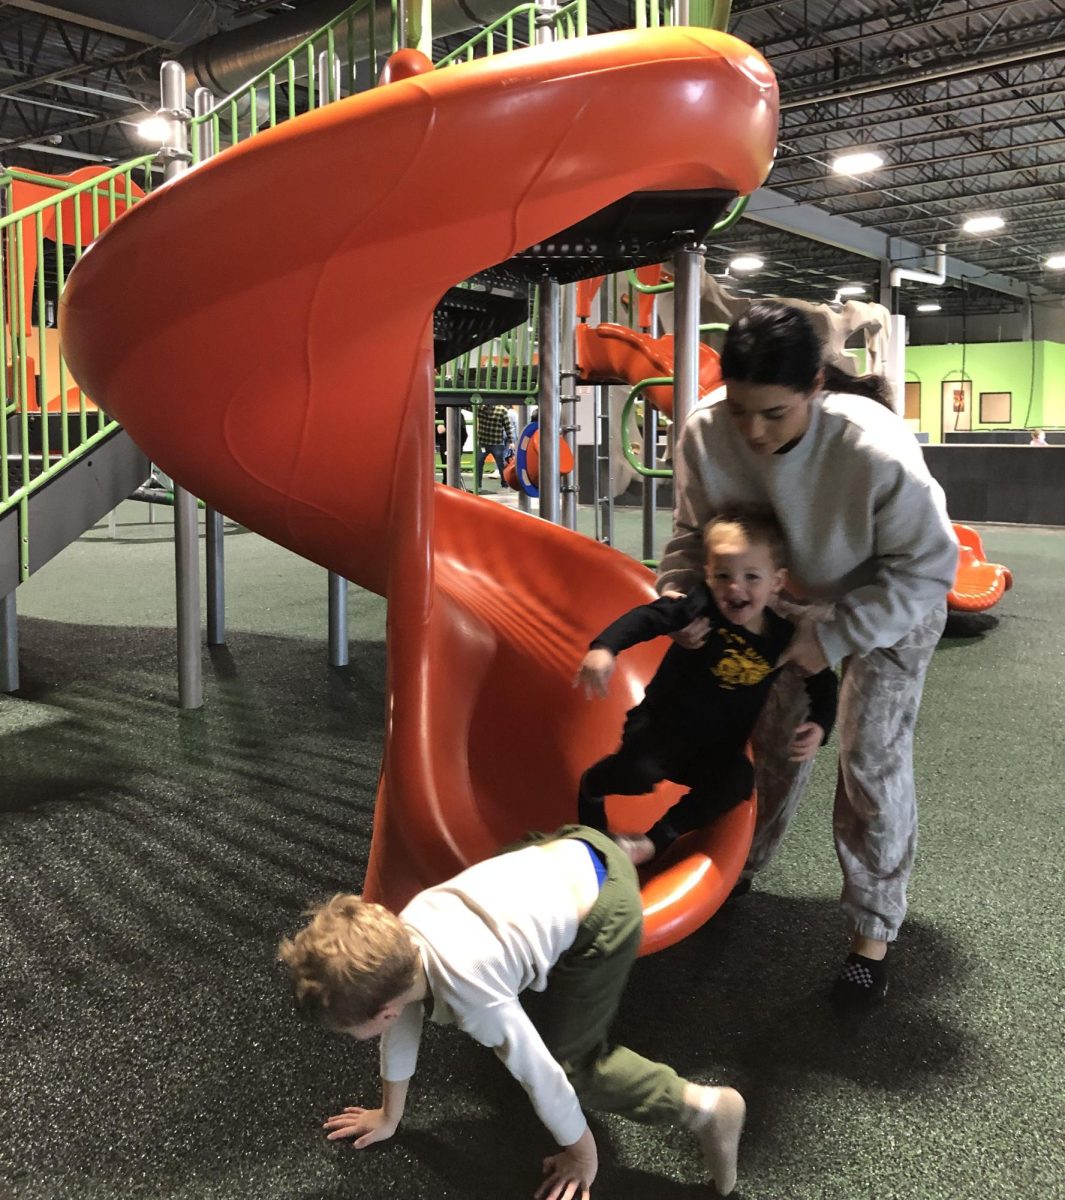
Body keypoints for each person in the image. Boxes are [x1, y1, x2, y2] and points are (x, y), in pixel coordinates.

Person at [657, 300, 958, 1005]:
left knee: (867, 760)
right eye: (741, 411)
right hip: (786, 600)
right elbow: (688, 539)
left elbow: (927, 567)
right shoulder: (706, 433)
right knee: (768, 745)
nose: (754, 433)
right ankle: (737, 868)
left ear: (815, 387)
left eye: (775, 414)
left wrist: (831, 639)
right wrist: (680, 598)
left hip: (890, 602)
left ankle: (872, 932)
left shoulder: (870, 447)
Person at [278, 827, 747, 1200]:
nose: (346, 1034)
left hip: (605, 909)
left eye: (347, 1028)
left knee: (575, 1064)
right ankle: (621, 848)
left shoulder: (472, 994)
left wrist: (582, 1156)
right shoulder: (403, 936)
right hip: (568, 843)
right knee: (514, 880)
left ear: (381, 1011)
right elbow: (400, 1026)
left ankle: (708, 1110)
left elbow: (542, 1077)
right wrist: (389, 1115)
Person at [575, 511, 837, 865]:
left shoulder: (782, 638)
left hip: (716, 750)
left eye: (751, 577)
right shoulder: (700, 609)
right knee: (640, 773)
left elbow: (821, 680)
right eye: (723, 576)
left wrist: (820, 724)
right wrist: (605, 648)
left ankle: (655, 840)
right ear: (709, 576)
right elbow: (650, 617)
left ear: (777, 582)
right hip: (660, 730)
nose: (735, 587)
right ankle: (593, 787)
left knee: (739, 783)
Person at [475, 402, 515, 488]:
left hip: (494, 443)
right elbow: (507, 427)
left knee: (500, 465)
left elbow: (507, 426)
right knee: (479, 463)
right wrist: (511, 441)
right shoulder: (480, 408)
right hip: (487, 443)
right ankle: (478, 484)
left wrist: (511, 441)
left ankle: (504, 483)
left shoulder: (483, 408)